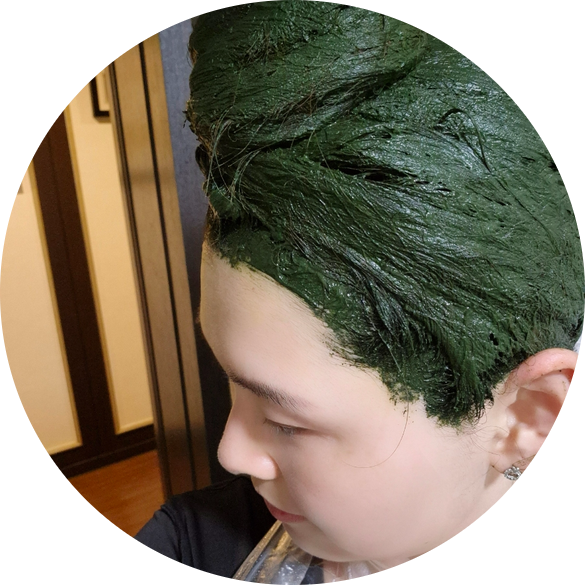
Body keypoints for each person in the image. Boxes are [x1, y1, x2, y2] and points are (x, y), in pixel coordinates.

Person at [134, 3, 583, 580]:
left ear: (525, 416)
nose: (230, 453)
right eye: (232, 380)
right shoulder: (194, 544)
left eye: (286, 421)